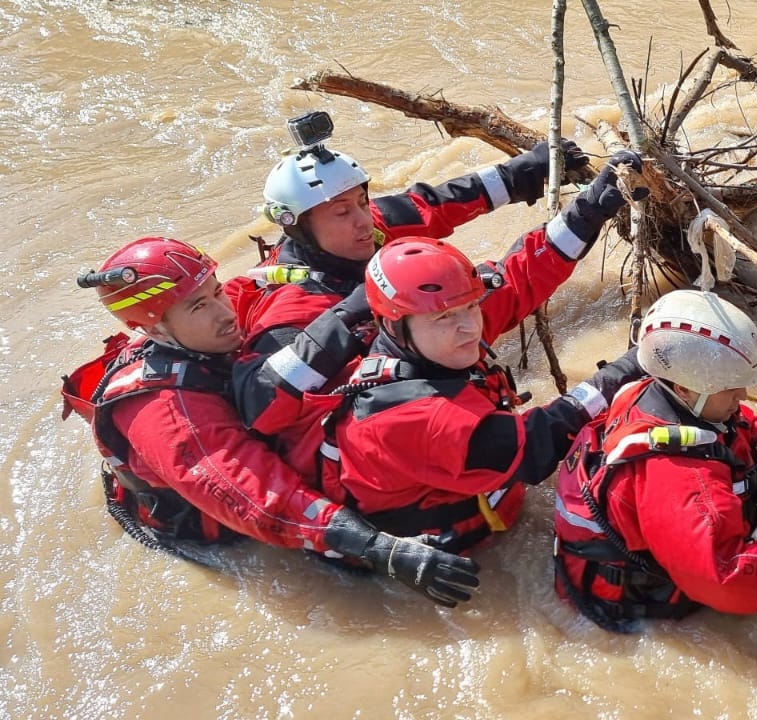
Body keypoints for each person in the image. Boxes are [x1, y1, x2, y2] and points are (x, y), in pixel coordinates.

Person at [61, 236, 480, 607]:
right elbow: (256, 497)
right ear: (152, 328)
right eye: (199, 306)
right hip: (209, 533)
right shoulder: (168, 415)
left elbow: (266, 285)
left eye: (217, 292)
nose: (225, 312)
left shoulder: (201, 331)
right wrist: (379, 548)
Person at [229, 110, 600, 439]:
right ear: (298, 227)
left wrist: (526, 172)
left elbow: (435, 204)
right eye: (342, 212)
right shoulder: (291, 312)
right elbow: (261, 406)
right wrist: (344, 321)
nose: (363, 221)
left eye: (362, 201)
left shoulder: (356, 234)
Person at [551, 290, 757, 632]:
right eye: (731, 387)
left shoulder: (654, 392)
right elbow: (737, 588)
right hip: (633, 601)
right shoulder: (680, 481)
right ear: (684, 388)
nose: (742, 395)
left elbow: (744, 425)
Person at [311, 229, 645, 555]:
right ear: (392, 326)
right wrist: (633, 365)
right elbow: (537, 444)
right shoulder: (415, 417)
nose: (472, 327)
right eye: (446, 316)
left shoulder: (427, 338)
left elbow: (517, 281)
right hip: (456, 552)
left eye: (471, 306)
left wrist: (586, 213)